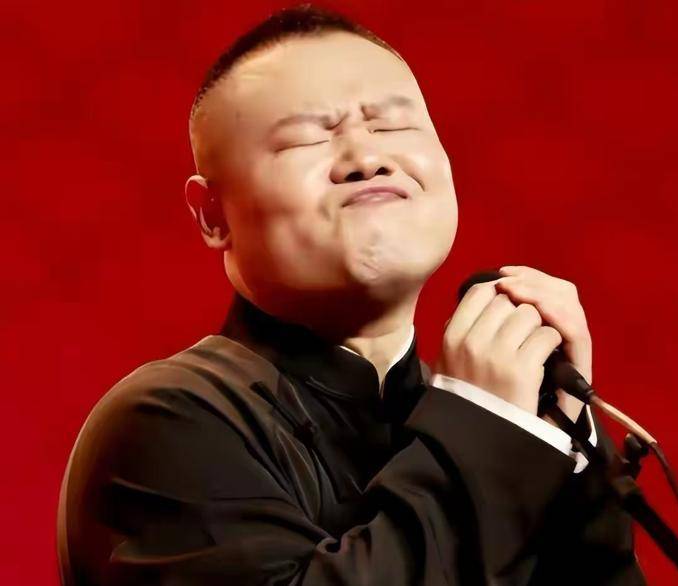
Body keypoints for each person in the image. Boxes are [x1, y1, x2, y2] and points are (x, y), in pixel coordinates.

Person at [57, 4, 646, 584]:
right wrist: (489, 426)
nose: (366, 158)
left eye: (393, 127)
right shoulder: (163, 422)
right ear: (213, 213)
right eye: (302, 140)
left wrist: (562, 444)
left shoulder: (496, 416)